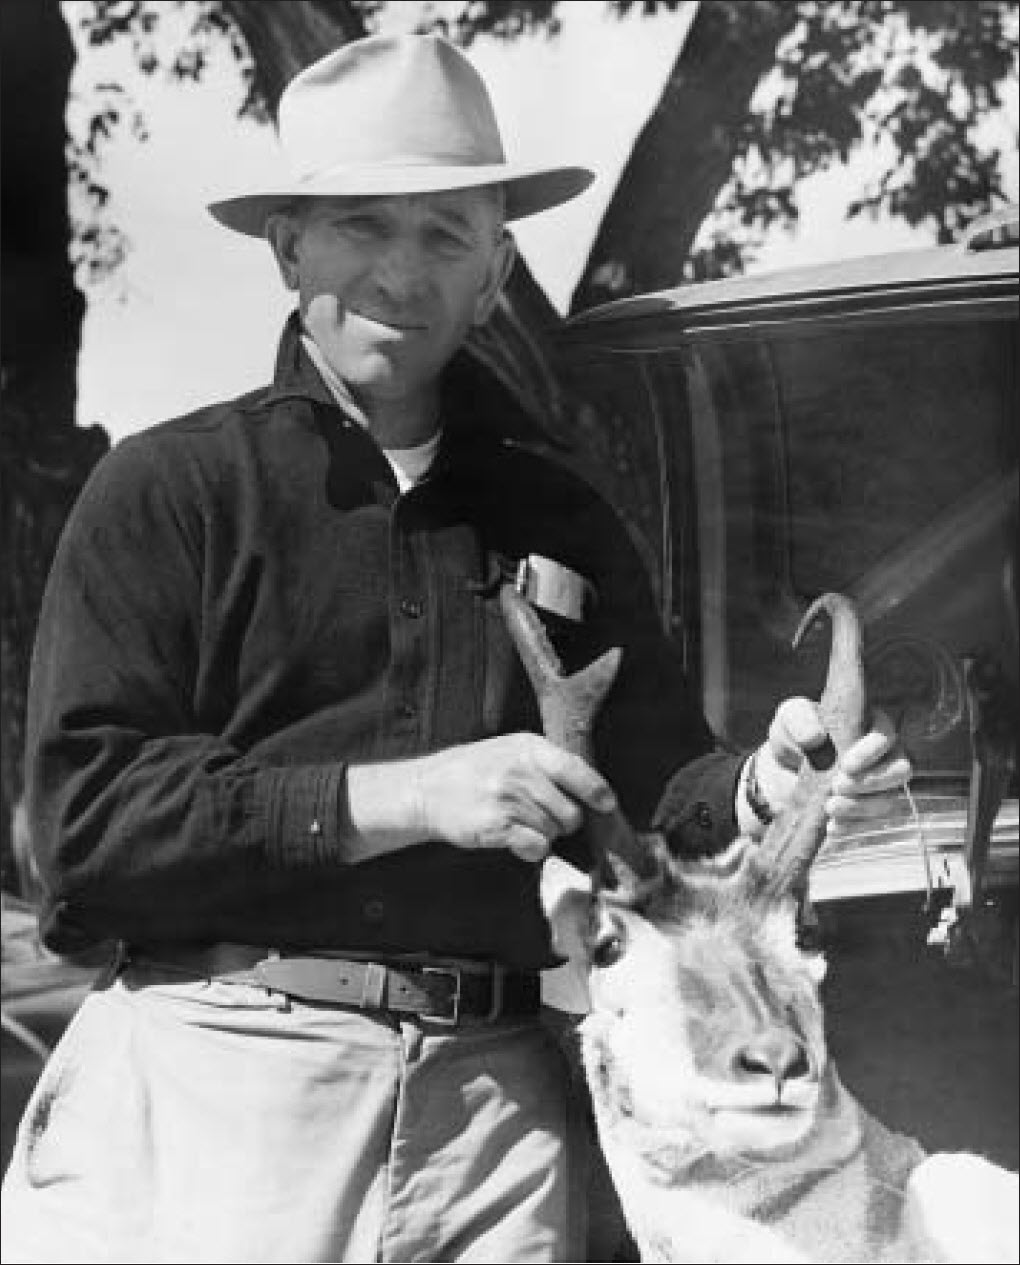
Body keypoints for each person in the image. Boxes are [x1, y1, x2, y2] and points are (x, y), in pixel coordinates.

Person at [1, 32, 911, 1265]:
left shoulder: (564, 513)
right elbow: (86, 824)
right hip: (223, 1087)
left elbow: (652, 792)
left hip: (498, 1114)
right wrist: (413, 793)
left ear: (495, 272)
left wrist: (765, 782)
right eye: (362, 226)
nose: (401, 271)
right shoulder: (167, 490)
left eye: (446, 235)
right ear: (288, 248)